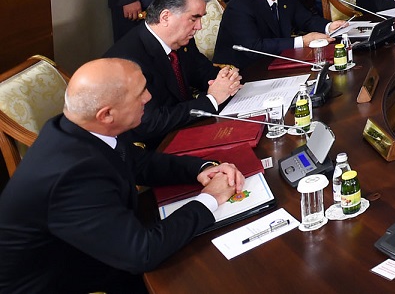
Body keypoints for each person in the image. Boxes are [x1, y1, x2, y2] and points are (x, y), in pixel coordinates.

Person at [0, 58, 245, 293]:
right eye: (140, 94)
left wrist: (201, 169)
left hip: (97, 246)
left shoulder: (78, 126)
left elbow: (139, 162)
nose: (149, 98)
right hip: (61, 281)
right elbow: (142, 253)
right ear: (106, 114)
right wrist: (210, 198)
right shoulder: (72, 177)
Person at [102, 0, 242, 147]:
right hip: (158, 145)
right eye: (194, 19)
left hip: (188, 126)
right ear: (165, 17)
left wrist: (226, 80)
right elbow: (150, 122)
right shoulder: (128, 61)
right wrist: (211, 100)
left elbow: (202, 73)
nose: (199, 27)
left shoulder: (181, 40)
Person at [216, 0, 348, 68]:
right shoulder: (240, 6)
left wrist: (329, 27)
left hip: (277, 60)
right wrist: (302, 41)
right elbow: (254, 48)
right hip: (244, 69)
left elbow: (306, 19)